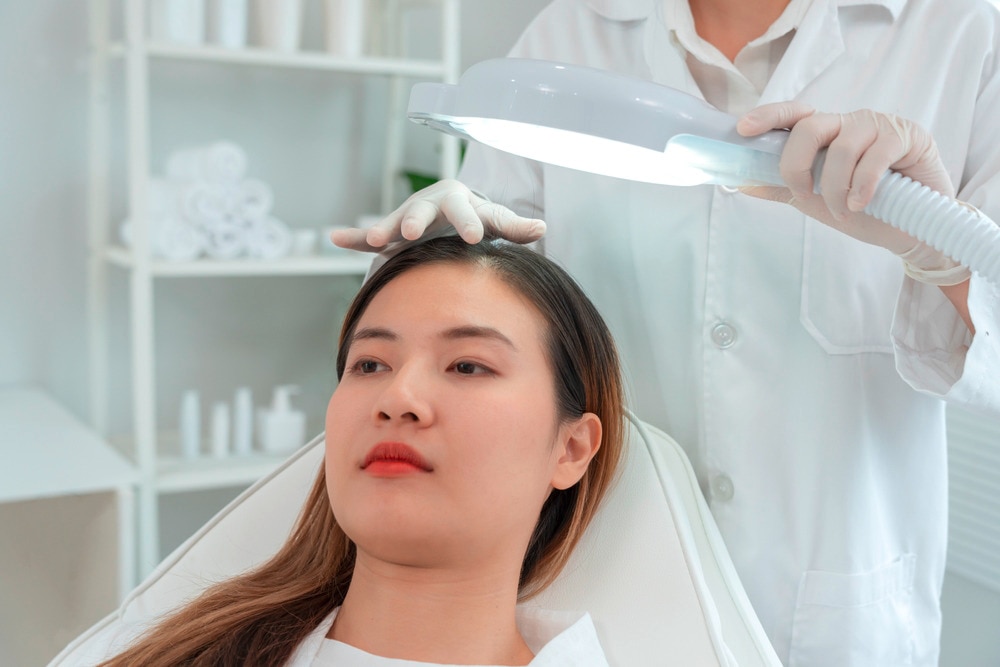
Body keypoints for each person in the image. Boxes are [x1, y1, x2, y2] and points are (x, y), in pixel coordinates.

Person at [332, 0, 1000, 664]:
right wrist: (450, 255)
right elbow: (486, 310)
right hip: (601, 589)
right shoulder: (569, 34)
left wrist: (943, 251)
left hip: (836, 617)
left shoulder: (961, 35)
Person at [96, 236, 626, 667]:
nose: (397, 399)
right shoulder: (174, 653)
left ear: (572, 449)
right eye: (370, 365)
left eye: (467, 365)